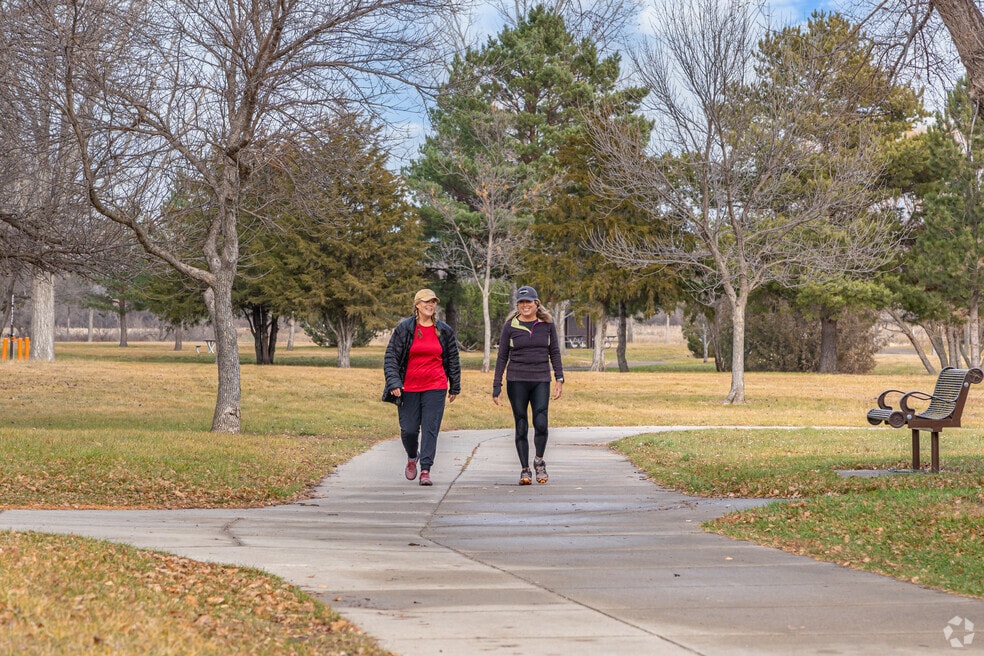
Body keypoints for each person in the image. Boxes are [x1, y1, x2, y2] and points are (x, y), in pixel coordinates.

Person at [383, 289, 461, 486]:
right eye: (426, 302)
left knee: (430, 429)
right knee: (408, 430)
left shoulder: (444, 330)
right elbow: (391, 357)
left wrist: (454, 386)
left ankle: (425, 470)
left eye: (433, 302)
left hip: (435, 385)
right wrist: (394, 383)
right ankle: (412, 456)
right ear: (417, 305)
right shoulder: (405, 329)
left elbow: (453, 358)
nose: (430, 305)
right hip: (408, 387)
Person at [492, 285, 564, 485]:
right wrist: (496, 384)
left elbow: (555, 352)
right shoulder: (510, 326)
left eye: (528, 302)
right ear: (518, 305)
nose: (525, 305)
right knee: (521, 424)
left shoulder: (547, 324)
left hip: (541, 378)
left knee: (541, 422)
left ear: (536, 303)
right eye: (521, 302)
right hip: (517, 379)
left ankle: (539, 461)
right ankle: (525, 469)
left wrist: (559, 378)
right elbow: (502, 356)